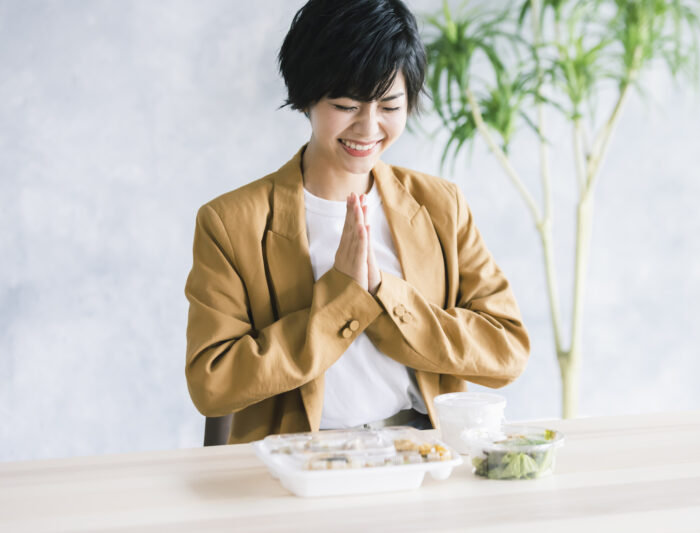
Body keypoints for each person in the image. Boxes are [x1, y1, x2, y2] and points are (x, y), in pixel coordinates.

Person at [184, 0, 530, 444]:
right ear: (307, 97)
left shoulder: (442, 206)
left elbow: (507, 349)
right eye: (346, 104)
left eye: (389, 105)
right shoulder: (230, 223)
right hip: (294, 468)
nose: (368, 128)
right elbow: (212, 384)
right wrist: (340, 300)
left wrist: (385, 294)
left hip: (420, 456)